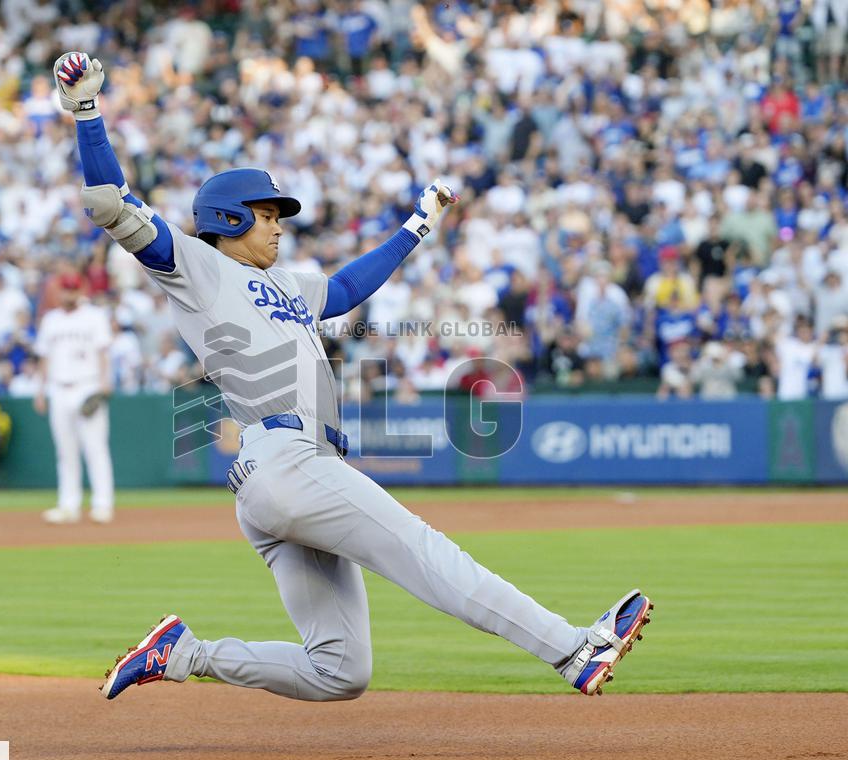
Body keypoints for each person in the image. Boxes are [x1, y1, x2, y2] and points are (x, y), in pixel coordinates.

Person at [52, 52, 653, 702]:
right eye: (267, 213)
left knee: (339, 670)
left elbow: (344, 289)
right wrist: (87, 111)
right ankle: (573, 648)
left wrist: (416, 227)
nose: (279, 225)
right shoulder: (197, 266)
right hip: (288, 458)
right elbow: (110, 201)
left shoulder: (283, 282)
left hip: (277, 478)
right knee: (427, 552)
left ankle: (183, 652)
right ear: (228, 219)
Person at [33, 269, 115, 524]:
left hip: (87, 385)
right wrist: (40, 390)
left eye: (73, 288)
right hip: (58, 388)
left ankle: (102, 504)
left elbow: (103, 352)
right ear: (59, 290)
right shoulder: (51, 320)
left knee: (95, 448)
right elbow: (44, 358)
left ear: (81, 290)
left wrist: (104, 382)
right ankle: (69, 505)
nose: (69, 293)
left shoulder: (94, 316)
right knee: (65, 452)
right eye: (65, 288)